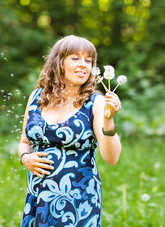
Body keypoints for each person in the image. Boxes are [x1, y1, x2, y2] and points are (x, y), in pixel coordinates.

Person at [18, 35, 122, 226]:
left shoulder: (95, 102)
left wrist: (108, 120)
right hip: (38, 197)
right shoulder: (36, 98)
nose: (83, 64)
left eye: (88, 60)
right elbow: (25, 142)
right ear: (59, 62)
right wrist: (26, 158)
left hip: (78, 201)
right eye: (75, 58)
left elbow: (112, 158)